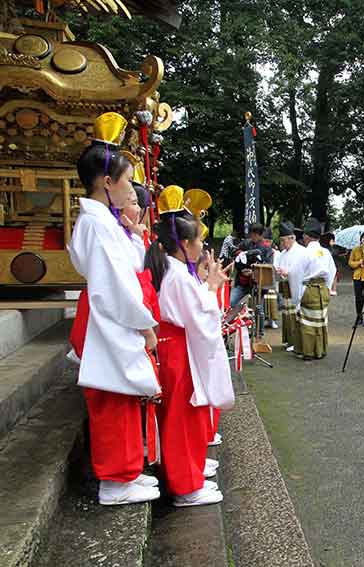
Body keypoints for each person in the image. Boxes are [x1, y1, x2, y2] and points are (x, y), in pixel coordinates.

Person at [68, 142, 161, 507]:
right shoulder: (97, 223)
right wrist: (144, 324)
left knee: (120, 398)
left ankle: (124, 473)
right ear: (107, 182)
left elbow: (128, 269)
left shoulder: (103, 221)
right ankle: (113, 481)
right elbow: (117, 285)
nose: (131, 187)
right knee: (110, 399)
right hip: (109, 317)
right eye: (127, 180)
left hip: (110, 315)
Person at [145, 198, 234, 506]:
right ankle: (185, 486)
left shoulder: (175, 269)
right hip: (180, 349)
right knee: (183, 419)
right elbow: (198, 317)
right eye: (198, 239)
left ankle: (190, 475)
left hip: (177, 346)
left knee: (186, 417)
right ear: (184, 243)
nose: (202, 245)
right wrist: (211, 288)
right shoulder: (178, 275)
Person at [295, 219, 337, 360]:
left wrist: (298, 295)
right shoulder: (325, 252)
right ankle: (320, 350)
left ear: (306, 236)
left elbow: (298, 274)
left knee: (307, 322)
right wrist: (327, 288)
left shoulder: (304, 253)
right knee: (320, 320)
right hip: (322, 289)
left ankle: (308, 352)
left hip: (309, 288)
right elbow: (332, 271)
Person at [274, 222, 307, 352]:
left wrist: (288, 273)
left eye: (284, 240)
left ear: (292, 238)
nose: (282, 243)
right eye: (281, 240)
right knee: (287, 315)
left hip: (298, 287)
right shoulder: (282, 253)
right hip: (286, 287)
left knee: (295, 315)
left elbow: (301, 271)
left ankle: (296, 342)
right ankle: (289, 340)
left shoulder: (302, 252)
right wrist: (279, 272)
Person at [229, 223, 274, 309]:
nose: (253, 236)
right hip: (242, 281)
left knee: (258, 309)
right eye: (251, 234)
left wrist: (253, 272)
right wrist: (241, 256)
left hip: (258, 285)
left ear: (260, 235)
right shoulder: (245, 243)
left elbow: (268, 267)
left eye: (255, 234)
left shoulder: (267, 249)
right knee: (232, 303)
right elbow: (234, 254)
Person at [348, 232, 364, 327]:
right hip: (357, 276)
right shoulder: (355, 249)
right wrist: (358, 263)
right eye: (363, 238)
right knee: (358, 298)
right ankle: (359, 316)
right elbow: (350, 262)